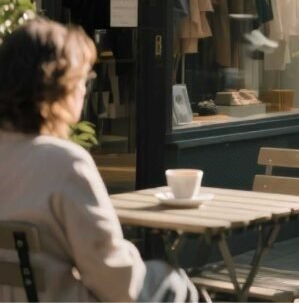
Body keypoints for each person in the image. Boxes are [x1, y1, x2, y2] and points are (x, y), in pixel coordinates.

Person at [0, 19, 198, 302]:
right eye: (83, 80)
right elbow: (116, 281)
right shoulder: (64, 164)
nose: (84, 90)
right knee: (173, 284)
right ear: (60, 87)